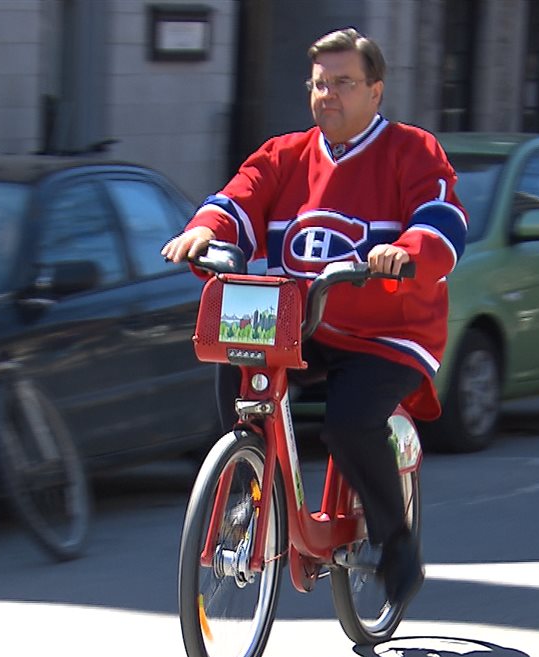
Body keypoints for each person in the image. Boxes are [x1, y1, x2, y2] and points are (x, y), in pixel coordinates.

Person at [162, 28, 467, 606]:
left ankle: (395, 543)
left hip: (388, 332)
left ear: (376, 92)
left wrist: (407, 251)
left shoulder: (412, 151)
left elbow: (442, 219)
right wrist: (205, 231)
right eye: (320, 84)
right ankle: (249, 488)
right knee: (239, 371)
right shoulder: (285, 154)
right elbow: (240, 198)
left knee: (350, 421)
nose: (329, 94)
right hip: (302, 324)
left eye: (344, 83)